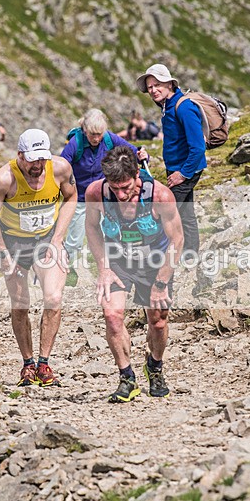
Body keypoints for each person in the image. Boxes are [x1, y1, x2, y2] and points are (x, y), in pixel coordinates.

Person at [85, 146, 183, 403]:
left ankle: (155, 367)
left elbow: (177, 240)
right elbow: (92, 229)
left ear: (137, 175)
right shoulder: (97, 193)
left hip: (154, 262)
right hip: (118, 261)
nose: (120, 194)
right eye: (114, 187)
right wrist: (103, 268)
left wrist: (161, 283)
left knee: (158, 321)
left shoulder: (160, 195)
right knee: (112, 314)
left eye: (125, 187)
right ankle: (126, 378)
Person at [0, 129, 78, 387]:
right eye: (32, 160)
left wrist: (58, 239)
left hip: (46, 239)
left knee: (54, 298)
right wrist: (3, 252)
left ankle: (44, 363)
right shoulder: (4, 179)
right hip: (14, 242)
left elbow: (71, 198)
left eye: (41, 160)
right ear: (20, 155)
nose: (37, 166)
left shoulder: (59, 169)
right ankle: (27, 363)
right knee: (20, 303)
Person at [60, 109, 148, 287]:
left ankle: (107, 267)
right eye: (92, 134)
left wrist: (142, 155)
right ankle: (64, 268)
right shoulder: (75, 143)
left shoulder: (109, 138)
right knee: (75, 238)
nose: (96, 139)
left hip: (104, 196)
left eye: (99, 134)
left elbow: (130, 151)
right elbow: (62, 164)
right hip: (81, 197)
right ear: (85, 130)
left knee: (108, 232)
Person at [137, 64, 205, 257]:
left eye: (157, 84)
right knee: (186, 213)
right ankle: (190, 255)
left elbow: (198, 147)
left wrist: (182, 175)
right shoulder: (167, 106)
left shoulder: (183, 107)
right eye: (150, 87)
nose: (153, 90)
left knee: (163, 210)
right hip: (178, 168)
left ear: (169, 84)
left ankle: (164, 255)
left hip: (186, 170)